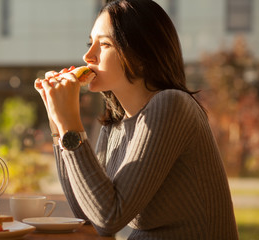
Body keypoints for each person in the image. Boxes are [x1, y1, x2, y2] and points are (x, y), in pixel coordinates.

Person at [34, 0, 239, 239]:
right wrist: (57, 122)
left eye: (105, 44)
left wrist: (70, 122)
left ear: (141, 56)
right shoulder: (116, 123)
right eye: (91, 44)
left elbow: (108, 218)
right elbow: (88, 212)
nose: (88, 55)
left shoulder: (172, 105)